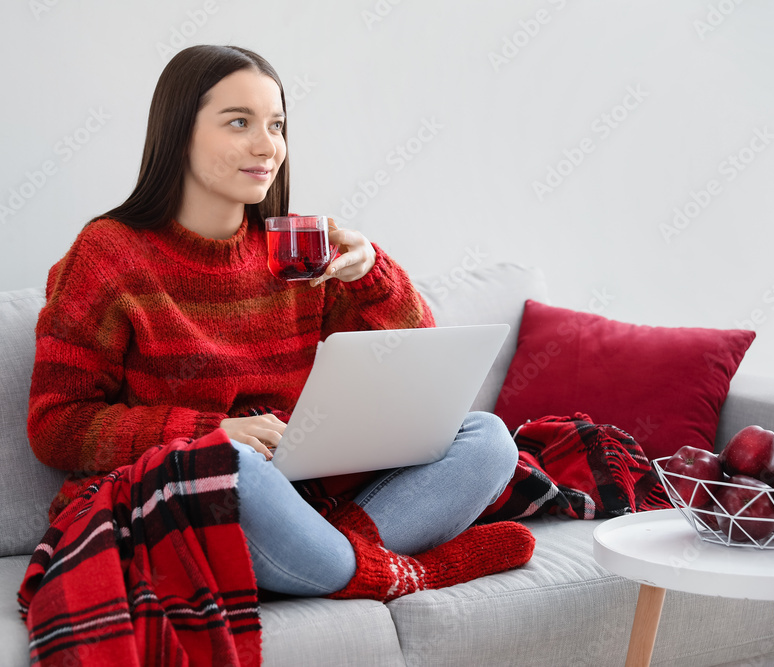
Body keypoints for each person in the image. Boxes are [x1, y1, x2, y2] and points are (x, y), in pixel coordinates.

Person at [27, 44, 534, 603]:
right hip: (200, 489)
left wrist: (371, 274)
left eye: (276, 125)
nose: (267, 147)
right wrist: (209, 435)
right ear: (178, 132)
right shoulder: (107, 255)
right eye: (239, 122)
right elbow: (57, 426)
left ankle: (329, 556)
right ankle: (397, 571)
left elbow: (424, 371)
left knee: (486, 439)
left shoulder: (294, 247)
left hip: (307, 488)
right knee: (237, 466)